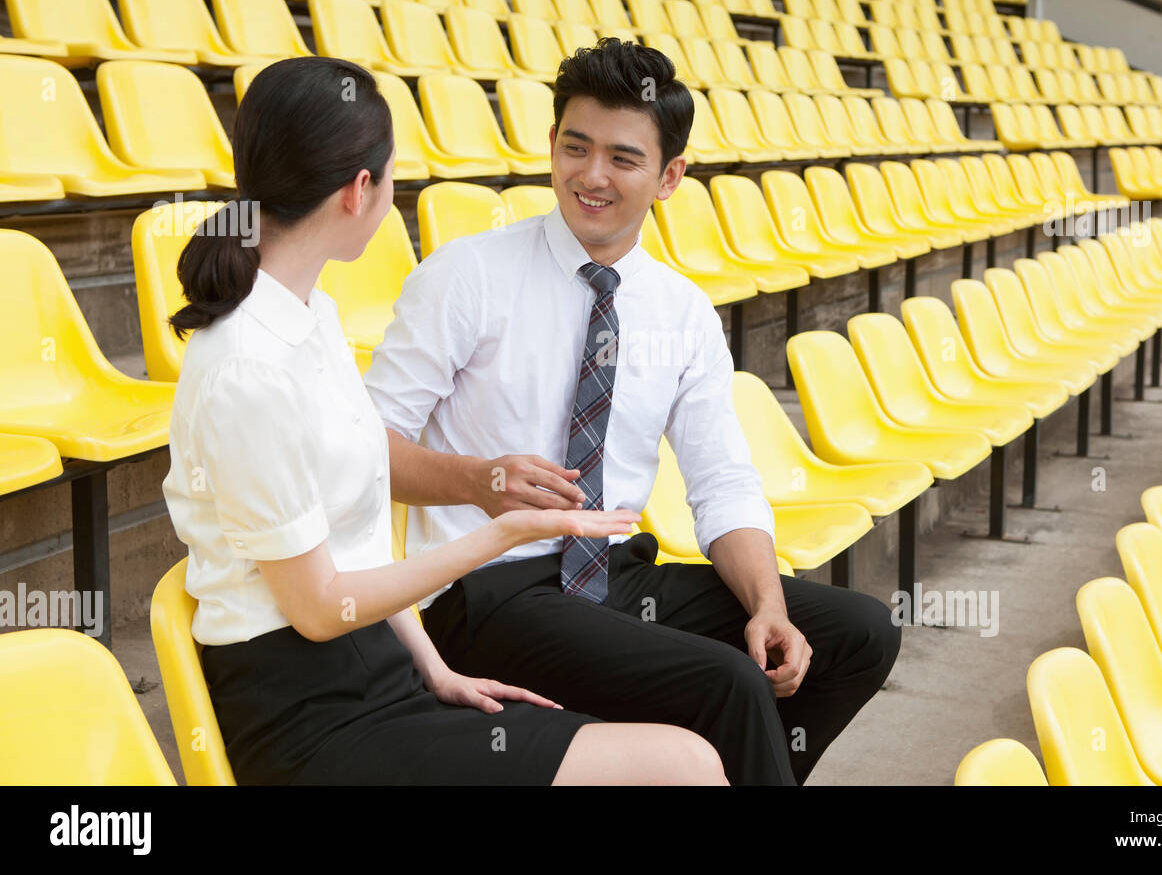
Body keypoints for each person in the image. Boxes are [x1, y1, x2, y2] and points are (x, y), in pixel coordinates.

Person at [159, 56, 727, 786]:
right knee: (681, 766)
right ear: (360, 190)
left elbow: (354, 547)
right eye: (392, 177)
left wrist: (437, 668)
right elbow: (322, 609)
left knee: (675, 757)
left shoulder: (313, 316)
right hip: (309, 713)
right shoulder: (247, 370)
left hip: (386, 670)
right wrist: (500, 533)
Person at [365, 39, 902, 786]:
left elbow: (722, 483)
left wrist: (767, 603)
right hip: (488, 589)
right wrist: (478, 481)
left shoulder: (680, 310)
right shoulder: (466, 277)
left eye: (622, 158)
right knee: (729, 683)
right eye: (576, 148)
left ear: (669, 177)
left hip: (616, 579)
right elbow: (363, 451)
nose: (591, 176)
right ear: (550, 145)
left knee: (859, 633)